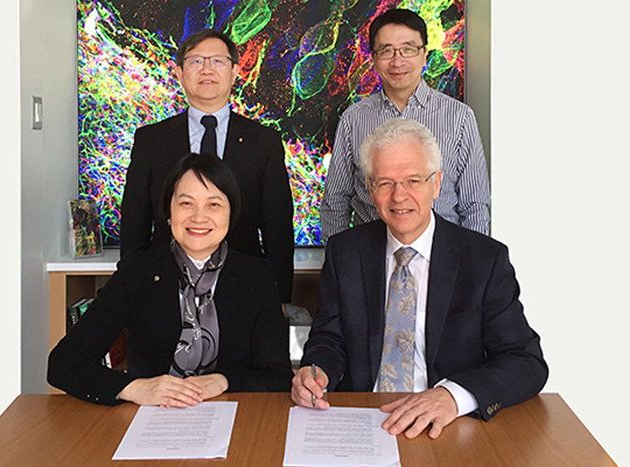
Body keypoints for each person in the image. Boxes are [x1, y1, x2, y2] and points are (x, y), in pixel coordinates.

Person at [292, 119, 547, 438]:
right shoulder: (346, 252)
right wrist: (315, 371)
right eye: (385, 183)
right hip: (362, 419)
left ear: (436, 183)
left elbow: (525, 361)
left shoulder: (483, 260)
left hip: (446, 425)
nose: (399, 196)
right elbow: (329, 338)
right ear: (371, 189)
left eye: (413, 180)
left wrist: (453, 397)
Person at [49, 153, 293, 406]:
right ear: (168, 212)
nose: (199, 217)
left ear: (231, 215)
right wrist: (133, 388)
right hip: (152, 420)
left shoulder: (255, 275)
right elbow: (63, 364)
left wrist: (224, 381)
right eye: (186, 203)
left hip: (232, 418)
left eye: (214, 205)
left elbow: (277, 376)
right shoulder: (138, 272)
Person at [120, 29, 294, 304]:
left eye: (218, 61)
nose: (207, 69)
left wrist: (280, 297)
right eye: (196, 61)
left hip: (244, 284)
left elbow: (278, 227)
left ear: (235, 71)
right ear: (179, 72)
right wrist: (130, 289)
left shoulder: (264, 142)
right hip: (164, 285)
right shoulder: (151, 139)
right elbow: (134, 223)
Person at [321, 8, 490, 241]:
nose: (397, 61)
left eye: (408, 49)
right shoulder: (354, 119)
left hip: (443, 258)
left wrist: (471, 267)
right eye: (386, 51)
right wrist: (340, 263)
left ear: (424, 54)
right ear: (374, 58)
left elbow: (475, 205)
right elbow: (335, 203)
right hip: (371, 257)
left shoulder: (459, 117)